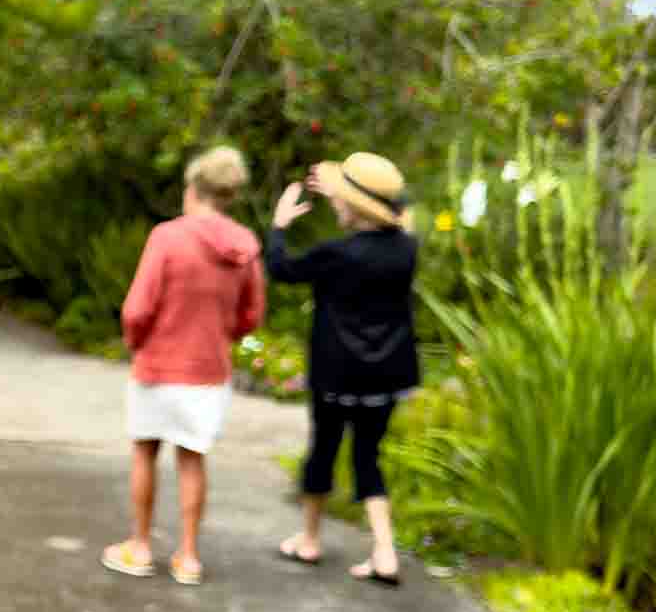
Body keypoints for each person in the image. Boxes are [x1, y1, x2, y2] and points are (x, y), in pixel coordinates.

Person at [102, 146, 265, 585]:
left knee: (145, 452)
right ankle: (188, 556)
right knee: (192, 460)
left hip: (158, 365)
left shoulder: (168, 238)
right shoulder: (245, 246)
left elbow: (138, 307)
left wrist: (136, 342)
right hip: (209, 370)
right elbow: (253, 314)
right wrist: (222, 336)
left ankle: (139, 546)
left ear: (192, 189)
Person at [266, 152, 421, 586]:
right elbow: (398, 213)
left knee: (323, 450)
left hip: (336, 374)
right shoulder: (406, 250)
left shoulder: (336, 254)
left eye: (340, 201)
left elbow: (281, 268)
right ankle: (385, 551)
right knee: (367, 458)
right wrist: (343, 188)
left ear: (353, 206)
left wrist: (279, 226)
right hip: (387, 376)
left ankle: (310, 539)